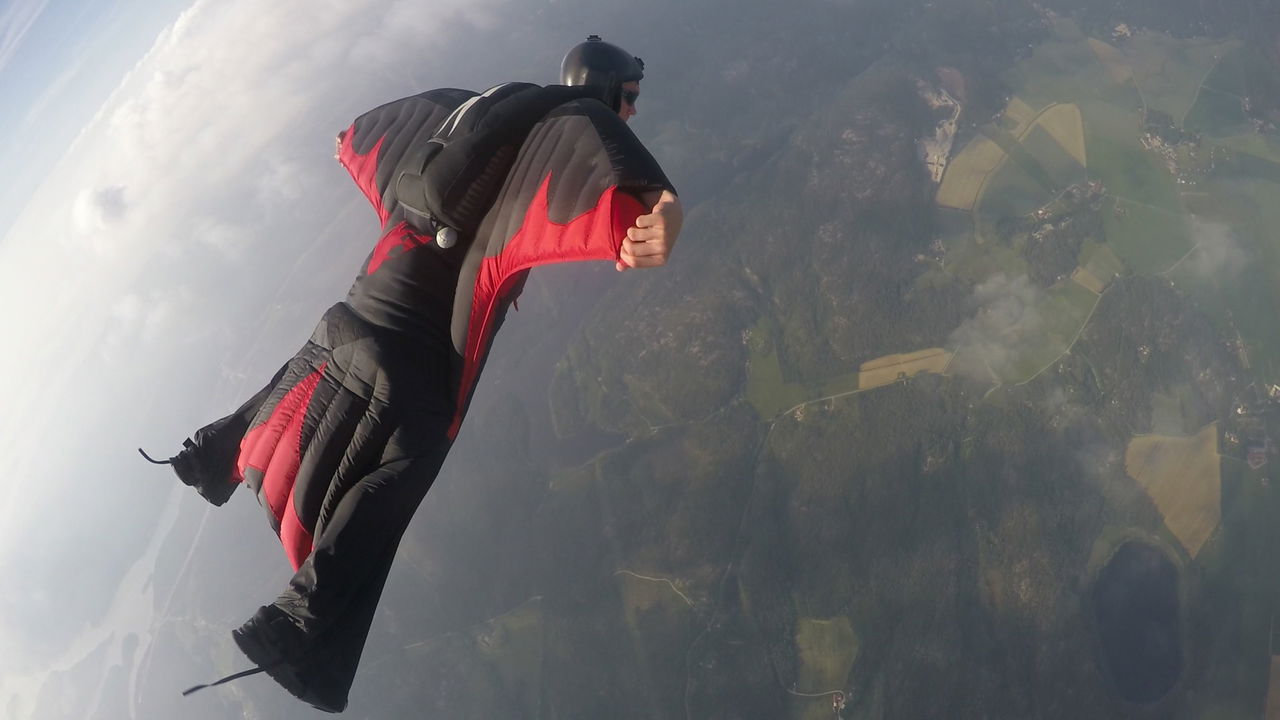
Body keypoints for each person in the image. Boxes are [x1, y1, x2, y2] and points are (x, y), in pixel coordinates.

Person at [148, 35, 682, 712]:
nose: (631, 114)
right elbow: (636, 204)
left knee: (313, 373)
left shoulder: (467, 116)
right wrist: (663, 219)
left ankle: (211, 454)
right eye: (629, 99)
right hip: (414, 362)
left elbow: (361, 136)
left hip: (341, 320)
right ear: (610, 90)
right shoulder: (577, 129)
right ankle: (300, 629)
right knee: (409, 459)